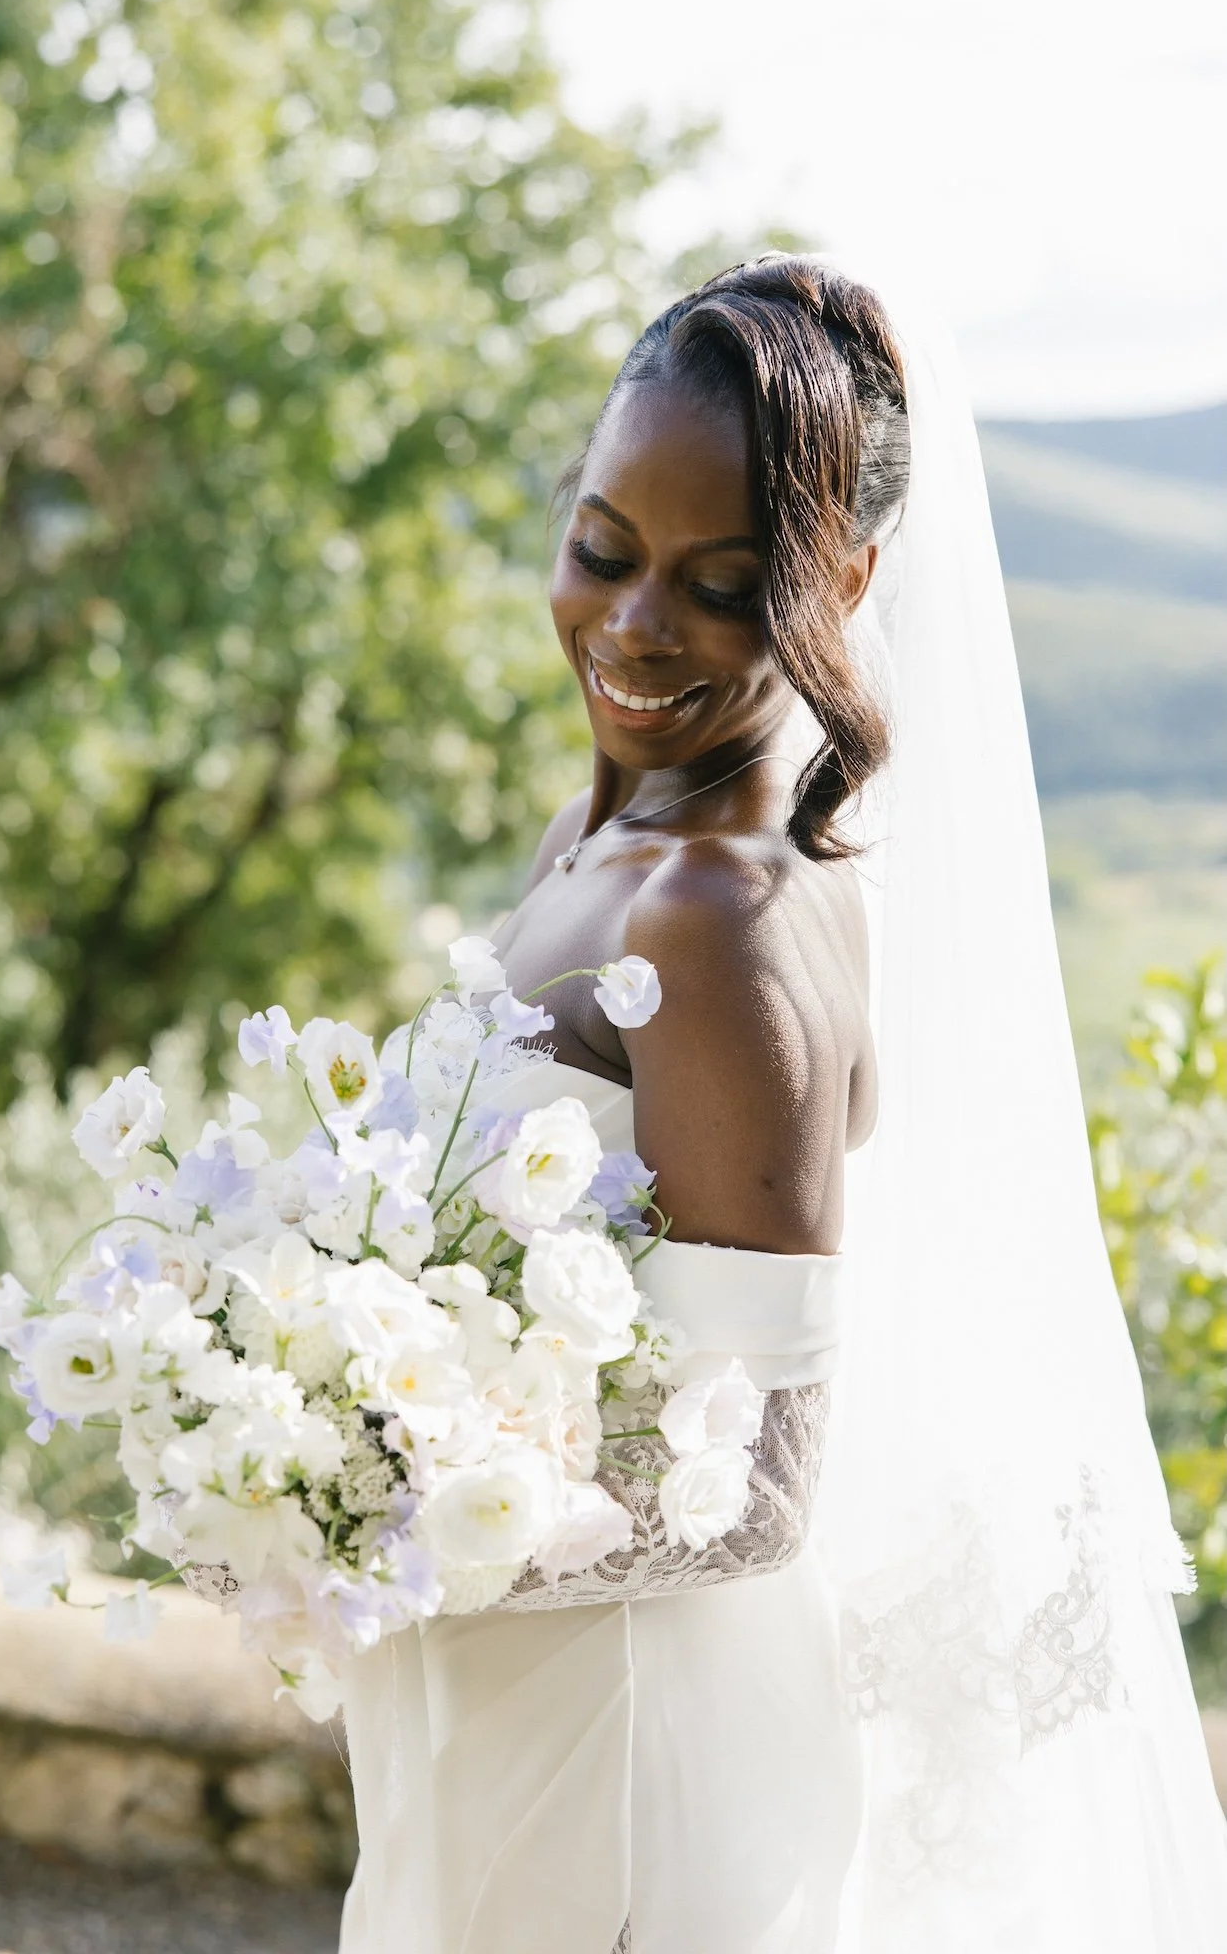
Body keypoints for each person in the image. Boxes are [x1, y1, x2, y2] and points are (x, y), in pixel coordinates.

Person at [336, 254, 1227, 1952]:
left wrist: (380, 1527)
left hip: (633, 1756)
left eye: (726, 585)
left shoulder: (720, 924)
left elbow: (756, 1493)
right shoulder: (599, 837)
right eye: (602, 548)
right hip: (498, 1702)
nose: (635, 625)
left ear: (847, 583)